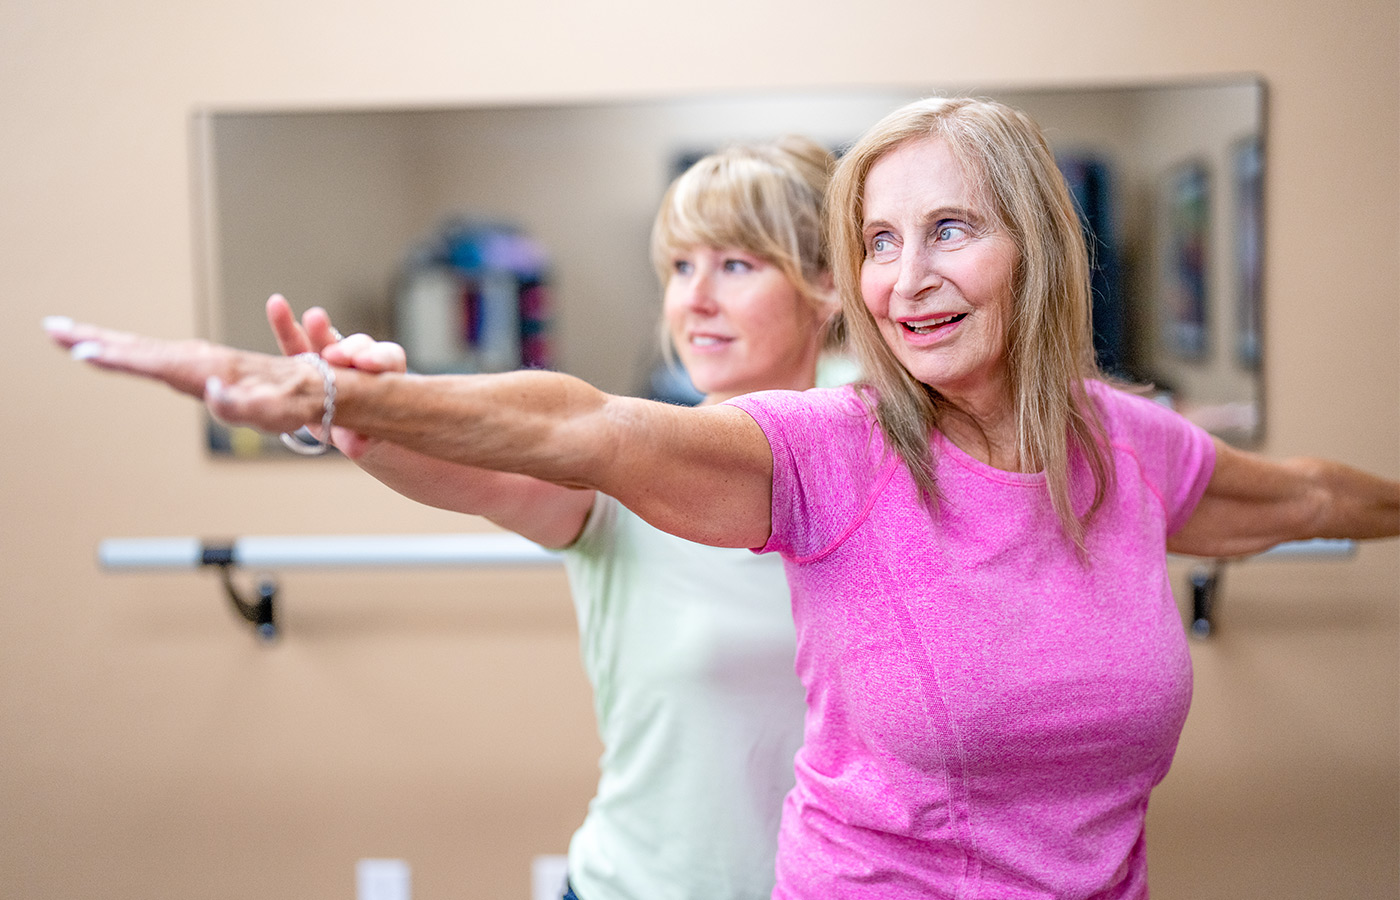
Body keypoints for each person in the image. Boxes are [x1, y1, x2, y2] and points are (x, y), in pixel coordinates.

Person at [46, 97, 1399, 899]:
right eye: (879, 238)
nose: (908, 273)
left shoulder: (1126, 447)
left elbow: (1296, 494)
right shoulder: (813, 451)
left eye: (949, 230)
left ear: (1034, 246)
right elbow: (570, 427)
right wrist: (341, 403)